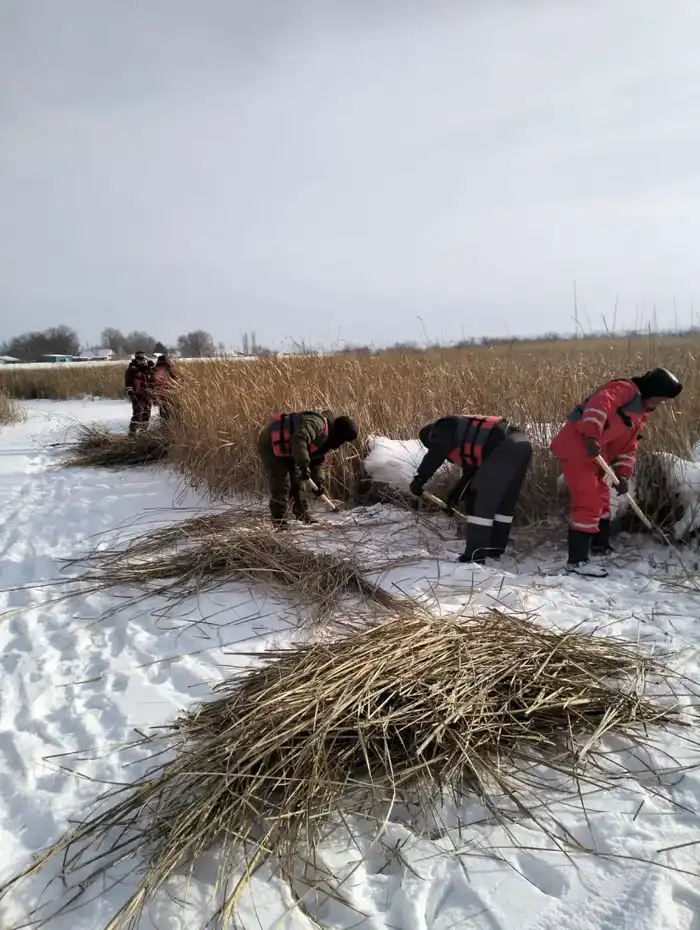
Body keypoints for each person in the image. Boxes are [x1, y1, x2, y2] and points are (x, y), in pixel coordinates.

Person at [550, 367, 682, 578]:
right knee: (588, 501)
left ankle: (599, 546)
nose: (662, 403)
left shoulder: (640, 415)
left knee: (602, 499)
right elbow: (598, 405)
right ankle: (577, 562)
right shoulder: (624, 390)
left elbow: (628, 448)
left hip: (595, 459)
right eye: (662, 398)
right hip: (579, 449)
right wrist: (592, 436)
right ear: (653, 391)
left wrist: (622, 475)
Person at [409, 415, 533, 564]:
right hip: (522, 444)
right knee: (504, 502)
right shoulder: (468, 436)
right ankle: (494, 549)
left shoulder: (441, 427)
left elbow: (438, 450)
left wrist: (420, 478)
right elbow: (470, 476)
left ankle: (475, 555)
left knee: (479, 502)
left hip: (503, 447)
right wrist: (453, 498)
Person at [258, 410, 358, 525]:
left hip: (290, 450)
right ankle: (279, 522)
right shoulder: (317, 424)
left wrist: (319, 481)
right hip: (271, 442)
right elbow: (299, 439)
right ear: (339, 434)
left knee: (297, 482)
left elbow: (317, 460)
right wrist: (303, 464)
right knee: (281, 484)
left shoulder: (328, 438)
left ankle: (302, 515)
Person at [125, 351, 155, 435]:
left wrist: (152, 367)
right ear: (136, 360)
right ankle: (132, 433)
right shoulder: (131, 370)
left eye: (144, 359)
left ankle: (143, 433)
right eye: (140, 359)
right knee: (138, 414)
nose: (142, 361)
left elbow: (154, 379)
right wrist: (131, 394)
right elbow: (128, 383)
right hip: (138, 395)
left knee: (147, 413)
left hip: (148, 395)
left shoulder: (148, 369)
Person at [152, 353, 178, 423]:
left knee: (163, 408)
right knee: (172, 409)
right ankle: (170, 424)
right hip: (168, 391)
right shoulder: (168, 369)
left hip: (158, 393)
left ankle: (164, 423)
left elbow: (152, 382)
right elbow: (175, 377)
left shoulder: (155, 369)